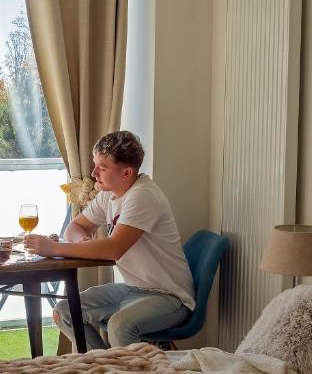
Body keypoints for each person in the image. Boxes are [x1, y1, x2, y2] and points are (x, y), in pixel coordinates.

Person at [24, 131, 194, 351]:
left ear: (126, 172)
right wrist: (83, 241)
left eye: (102, 168)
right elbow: (75, 227)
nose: (94, 173)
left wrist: (54, 248)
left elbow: (114, 249)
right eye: (95, 165)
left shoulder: (143, 196)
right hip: (134, 288)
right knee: (65, 312)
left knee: (119, 326)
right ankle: (105, 368)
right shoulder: (108, 194)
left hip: (169, 296)